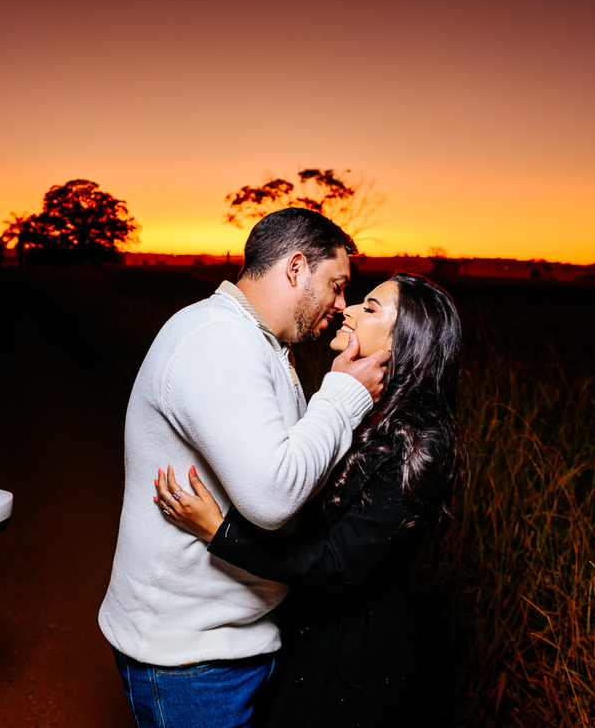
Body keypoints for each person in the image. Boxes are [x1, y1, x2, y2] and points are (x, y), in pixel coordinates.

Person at [99, 208, 393, 728]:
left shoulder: (263, 343)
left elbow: (302, 467)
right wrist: (344, 397)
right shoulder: (217, 340)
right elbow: (273, 496)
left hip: (235, 639)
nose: (342, 304)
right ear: (297, 267)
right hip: (189, 660)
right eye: (337, 285)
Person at [154, 272, 464, 727]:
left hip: (354, 670)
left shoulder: (421, 445)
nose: (349, 309)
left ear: (405, 341)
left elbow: (333, 565)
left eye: (371, 308)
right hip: (307, 640)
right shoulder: (365, 409)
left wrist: (219, 531)